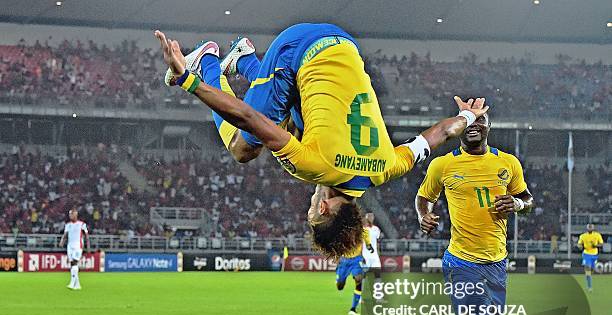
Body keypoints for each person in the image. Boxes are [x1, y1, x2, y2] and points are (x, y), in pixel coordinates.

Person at [154, 24, 489, 258]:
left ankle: (243, 59)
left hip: (346, 47)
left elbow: (439, 135)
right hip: (299, 48)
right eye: (312, 212)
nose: (309, 206)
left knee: (292, 125)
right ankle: (207, 62)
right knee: (245, 147)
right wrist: (188, 81)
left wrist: (468, 118)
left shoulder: (387, 167)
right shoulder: (313, 167)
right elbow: (248, 118)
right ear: (326, 208)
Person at [413, 110, 534, 315]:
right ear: (461, 127)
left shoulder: (507, 163)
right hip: (462, 263)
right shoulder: (443, 165)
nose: (473, 127)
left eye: (480, 122)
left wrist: (517, 205)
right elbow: (424, 197)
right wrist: (425, 216)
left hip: (496, 264)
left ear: (488, 128)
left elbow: (526, 197)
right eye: (468, 122)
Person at [336, 229, 373, 315]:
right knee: (340, 286)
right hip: (345, 260)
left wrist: (369, 246)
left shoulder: (364, 231)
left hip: (357, 259)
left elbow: (367, 242)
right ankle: (338, 277)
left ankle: (353, 309)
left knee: (359, 280)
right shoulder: (344, 229)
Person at [59, 208, 90, 290]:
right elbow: (65, 235)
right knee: (72, 264)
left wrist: (88, 245)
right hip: (70, 246)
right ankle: (77, 285)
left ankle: (72, 283)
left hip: (78, 246)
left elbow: (86, 235)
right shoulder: (68, 225)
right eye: (69, 214)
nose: (70, 216)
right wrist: (62, 241)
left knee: (74, 262)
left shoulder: (82, 224)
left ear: (76, 215)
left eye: (72, 214)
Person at [577, 223, 603, 291]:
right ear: (587, 228)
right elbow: (579, 244)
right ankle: (589, 287)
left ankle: (588, 275)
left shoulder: (597, 235)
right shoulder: (583, 236)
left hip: (594, 255)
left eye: (591, 227)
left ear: (593, 228)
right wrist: (580, 246)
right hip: (586, 254)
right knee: (588, 270)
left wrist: (596, 246)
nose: (590, 228)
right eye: (589, 227)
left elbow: (601, 244)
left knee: (591, 270)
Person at [362, 212, 382, 279]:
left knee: (377, 273)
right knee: (363, 274)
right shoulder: (362, 229)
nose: (370, 218)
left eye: (371, 216)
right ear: (366, 218)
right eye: (369, 216)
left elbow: (378, 242)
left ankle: (378, 289)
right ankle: (362, 288)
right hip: (365, 255)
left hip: (374, 255)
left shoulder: (376, 229)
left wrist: (378, 252)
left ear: (373, 218)